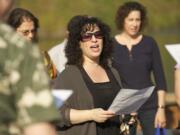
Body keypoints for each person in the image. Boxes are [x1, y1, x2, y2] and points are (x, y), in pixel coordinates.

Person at [53, 15, 122, 135]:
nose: (94, 39)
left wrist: (127, 113)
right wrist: (90, 115)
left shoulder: (113, 72)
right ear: (78, 43)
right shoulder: (68, 75)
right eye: (87, 36)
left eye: (98, 35)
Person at [0, 0, 60, 135]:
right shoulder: (11, 50)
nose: (31, 35)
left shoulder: (44, 57)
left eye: (33, 31)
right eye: (25, 32)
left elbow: (56, 81)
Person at [112, 1, 167, 135]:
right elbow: (110, 79)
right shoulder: (111, 45)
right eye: (130, 19)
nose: (135, 24)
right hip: (124, 107)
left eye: (138, 19)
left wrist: (161, 109)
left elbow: (160, 78)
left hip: (151, 106)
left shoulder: (150, 43)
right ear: (122, 20)